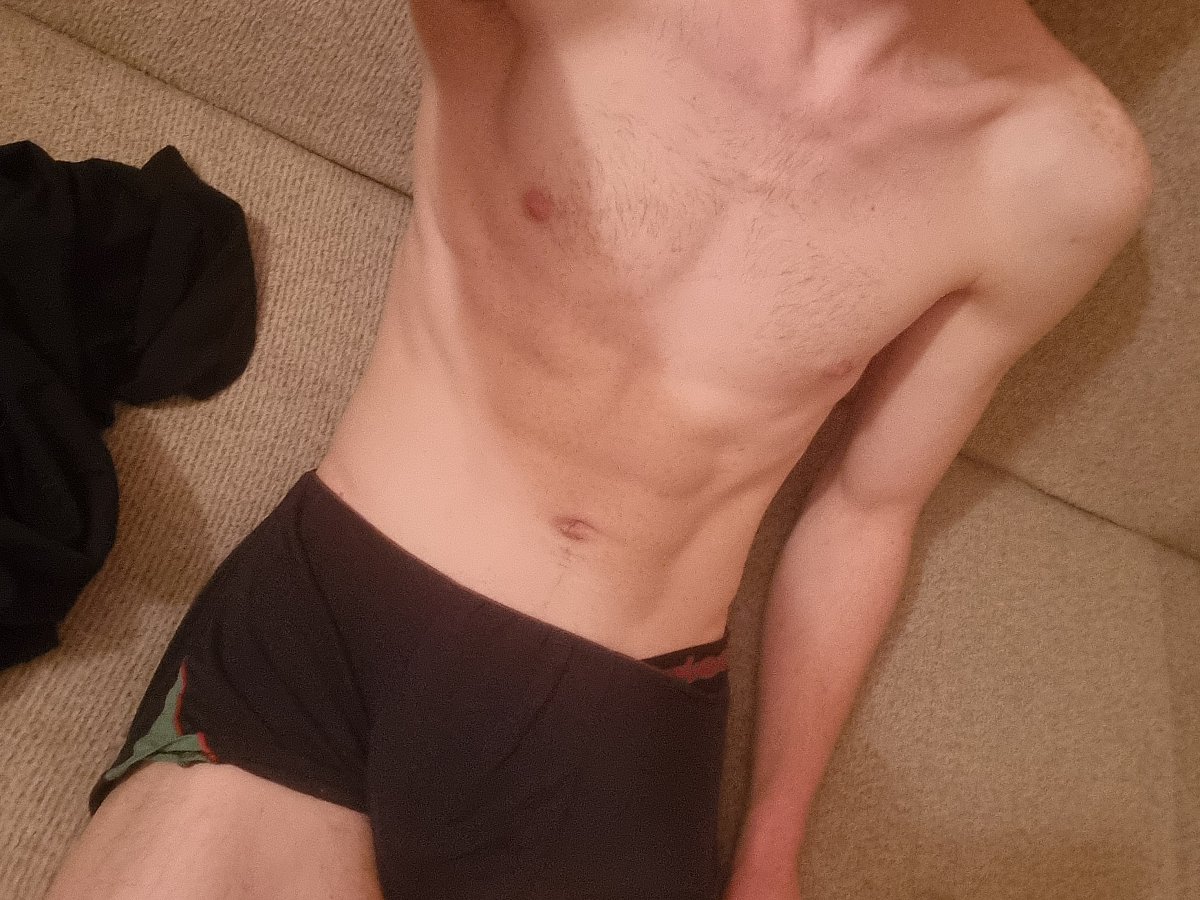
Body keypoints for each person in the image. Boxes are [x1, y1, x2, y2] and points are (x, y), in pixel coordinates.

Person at [46, 0, 1152, 897]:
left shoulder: (1060, 171)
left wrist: (771, 848)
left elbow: (868, 510)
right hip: (327, 625)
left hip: (616, 722)